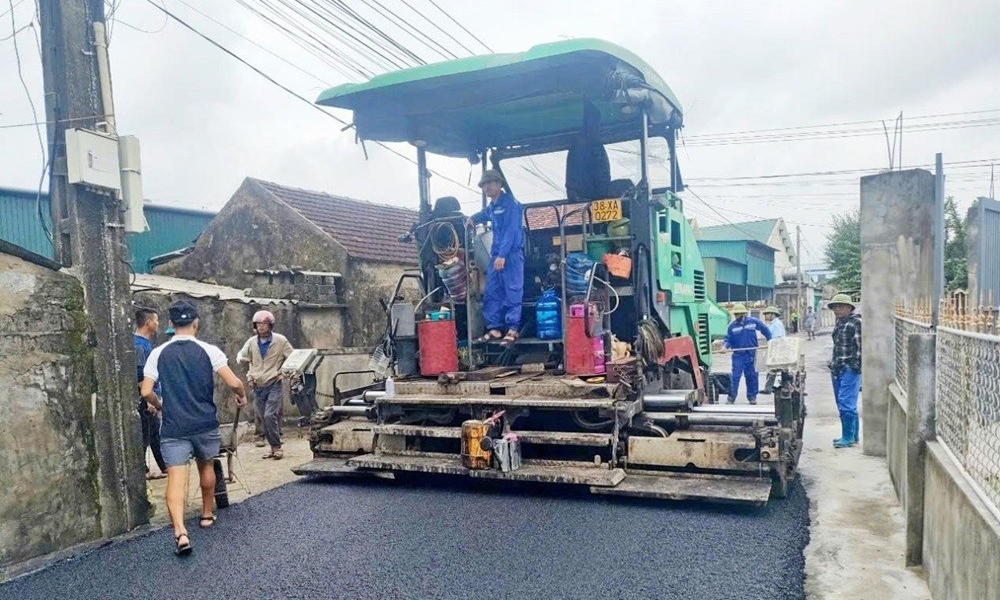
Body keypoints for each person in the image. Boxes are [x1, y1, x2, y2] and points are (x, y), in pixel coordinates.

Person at [141, 300, 247, 555]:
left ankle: (180, 531)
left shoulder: (159, 353)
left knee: (176, 478)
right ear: (196, 323)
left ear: (172, 324)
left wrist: (159, 404)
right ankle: (207, 515)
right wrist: (242, 395)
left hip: (174, 426)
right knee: (206, 466)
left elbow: (145, 391)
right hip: (204, 423)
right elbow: (233, 382)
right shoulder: (209, 350)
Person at [470, 169, 524, 346]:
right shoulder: (492, 206)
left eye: (490, 183)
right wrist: (472, 218)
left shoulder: (511, 204)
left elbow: (511, 231)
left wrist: (503, 255)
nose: (486, 187)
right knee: (492, 291)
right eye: (484, 184)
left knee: (512, 289)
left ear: (500, 185)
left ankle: (512, 329)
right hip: (496, 255)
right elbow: (484, 214)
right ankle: (494, 328)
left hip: (511, 254)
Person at [237, 310, 294, 460]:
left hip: (274, 383)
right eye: (259, 324)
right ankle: (272, 448)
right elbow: (241, 357)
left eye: (264, 323)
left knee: (269, 415)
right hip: (257, 385)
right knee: (263, 417)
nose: (261, 327)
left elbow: (293, 358)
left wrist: (283, 373)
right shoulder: (251, 342)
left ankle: (277, 447)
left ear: (270, 325)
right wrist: (249, 376)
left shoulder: (280, 341)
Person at [134, 308, 167, 480]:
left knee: (154, 433)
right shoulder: (139, 346)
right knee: (146, 435)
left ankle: (164, 467)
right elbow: (140, 376)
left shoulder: (144, 344)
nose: (158, 323)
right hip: (146, 398)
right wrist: (149, 400)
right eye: (156, 320)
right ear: (148, 322)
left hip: (151, 396)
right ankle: (144, 471)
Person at [828, 294, 862, 449]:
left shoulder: (856, 324)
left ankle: (848, 437)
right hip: (837, 368)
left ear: (849, 308)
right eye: (835, 307)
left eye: (841, 306)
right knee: (842, 402)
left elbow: (861, 347)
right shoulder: (840, 323)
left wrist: (855, 366)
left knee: (846, 403)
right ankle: (851, 435)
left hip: (849, 368)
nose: (837, 309)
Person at [723, 303, 772, 405]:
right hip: (738, 355)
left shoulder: (753, 322)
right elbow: (728, 339)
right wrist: (725, 347)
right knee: (735, 376)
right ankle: (731, 397)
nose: (736, 316)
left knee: (752, 376)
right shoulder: (732, 327)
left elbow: (764, 329)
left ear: (743, 314)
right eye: (735, 314)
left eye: (738, 314)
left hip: (752, 354)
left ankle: (752, 397)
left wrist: (770, 340)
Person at [565, 100, 611, 201]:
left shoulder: (597, 144)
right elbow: (573, 179)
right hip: (584, 200)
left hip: (599, 200)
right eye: (596, 123)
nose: (598, 127)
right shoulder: (579, 144)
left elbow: (604, 174)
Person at [761, 306, 785, 395]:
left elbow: (777, 338)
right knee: (772, 369)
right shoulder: (773, 324)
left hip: (777, 349)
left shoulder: (777, 324)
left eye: (767, 314)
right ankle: (768, 388)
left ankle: (769, 389)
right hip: (774, 349)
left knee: (773, 369)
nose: (765, 316)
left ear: (772, 315)